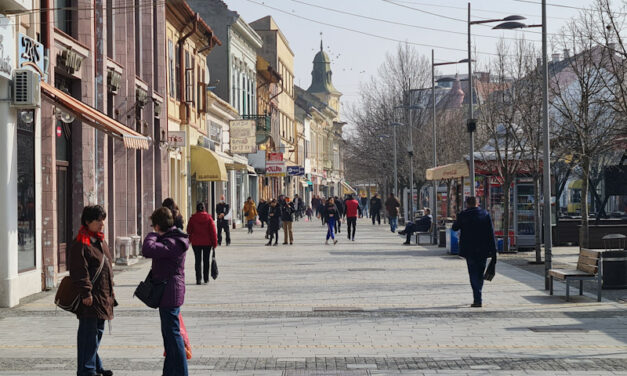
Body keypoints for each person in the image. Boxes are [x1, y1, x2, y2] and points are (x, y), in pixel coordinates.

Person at [142, 207, 190, 376]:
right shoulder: (173, 238)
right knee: (169, 338)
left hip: (169, 292)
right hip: (170, 291)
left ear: (157, 225)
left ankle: (182, 373)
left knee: (174, 337)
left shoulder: (172, 241)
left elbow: (147, 249)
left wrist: (154, 234)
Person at [70, 205, 115, 376]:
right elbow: (79, 269)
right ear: (87, 222)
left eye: (102, 220)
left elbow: (107, 266)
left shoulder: (100, 240)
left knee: (96, 334)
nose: (101, 224)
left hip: (103, 296)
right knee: (89, 335)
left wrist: (111, 291)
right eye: (98, 220)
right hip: (91, 298)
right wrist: (86, 292)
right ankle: (87, 370)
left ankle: (95, 366)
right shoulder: (81, 243)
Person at [452, 196, 497, 308]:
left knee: (472, 273)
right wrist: (494, 250)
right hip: (483, 249)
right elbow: (491, 233)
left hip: (469, 249)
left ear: (467, 204)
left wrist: (457, 218)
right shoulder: (485, 214)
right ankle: (478, 296)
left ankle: (477, 297)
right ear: (477, 203)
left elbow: (454, 228)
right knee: (480, 273)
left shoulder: (463, 214)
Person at [186, 202, 218, 285]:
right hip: (207, 243)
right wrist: (215, 243)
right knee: (206, 260)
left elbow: (189, 230)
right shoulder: (209, 218)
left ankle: (198, 279)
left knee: (197, 261)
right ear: (204, 208)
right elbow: (213, 232)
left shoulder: (193, 218)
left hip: (196, 243)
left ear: (196, 209)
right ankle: (206, 278)